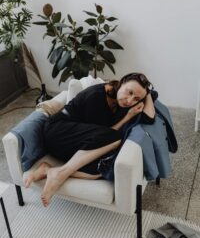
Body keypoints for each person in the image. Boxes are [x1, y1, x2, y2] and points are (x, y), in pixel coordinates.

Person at [24, 72, 156, 207]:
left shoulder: (122, 103)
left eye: (136, 99)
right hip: (57, 134)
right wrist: (127, 117)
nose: (129, 100)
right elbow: (104, 136)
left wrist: (148, 94)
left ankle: (49, 170)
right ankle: (60, 174)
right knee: (115, 138)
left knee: (103, 168)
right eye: (129, 92)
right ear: (122, 83)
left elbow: (149, 119)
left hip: (79, 142)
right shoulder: (96, 97)